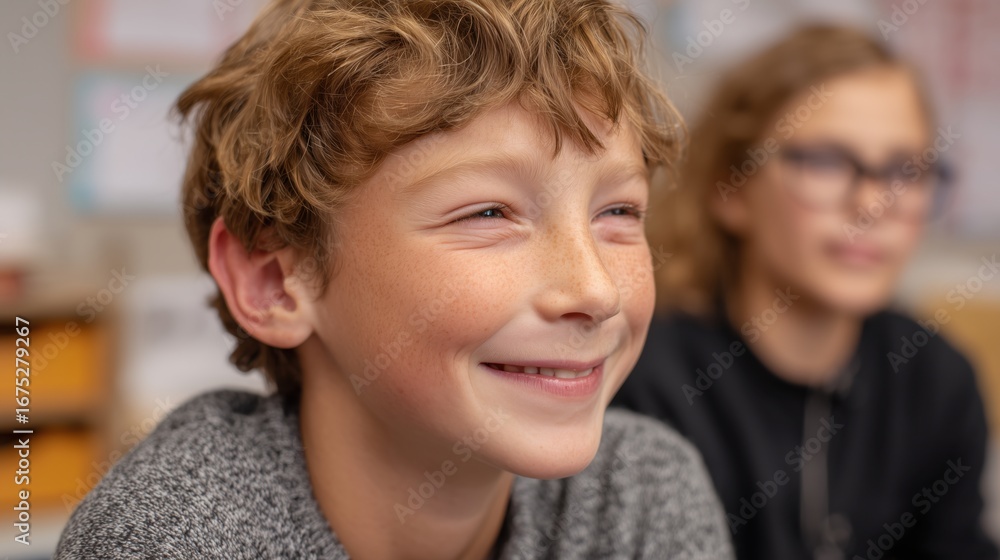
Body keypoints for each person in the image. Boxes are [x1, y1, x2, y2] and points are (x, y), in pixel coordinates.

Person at [55, 1, 735, 558]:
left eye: (618, 212)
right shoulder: (172, 537)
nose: (596, 291)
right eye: (489, 213)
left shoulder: (644, 495)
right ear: (275, 280)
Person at [612, 24, 999, 560]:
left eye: (903, 171)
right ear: (731, 190)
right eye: (826, 161)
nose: (872, 205)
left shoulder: (936, 382)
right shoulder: (639, 377)